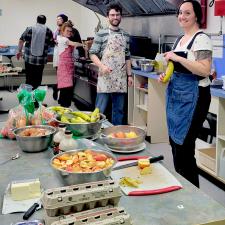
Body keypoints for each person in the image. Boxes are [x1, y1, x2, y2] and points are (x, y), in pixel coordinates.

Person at [158, 0, 212, 187]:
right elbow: (176, 67)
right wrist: (166, 75)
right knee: (175, 145)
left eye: (187, 13)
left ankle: (193, 198)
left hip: (195, 98)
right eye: (180, 13)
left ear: (196, 15)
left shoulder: (201, 38)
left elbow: (205, 70)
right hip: (176, 97)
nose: (182, 16)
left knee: (185, 149)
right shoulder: (179, 40)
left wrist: (175, 56)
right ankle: (182, 190)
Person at [89, 3, 133, 125]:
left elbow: (127, 56)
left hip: (120, 77)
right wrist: (102, 66)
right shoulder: (101, 33)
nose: (115, 17)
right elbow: (92, 53)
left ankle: (115, 135)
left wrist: (129, 75)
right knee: (99, 110)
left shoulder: (126, 35)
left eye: (117, 15)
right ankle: (95, 132)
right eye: (112, 15)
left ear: (121, 16)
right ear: (108, 16)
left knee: (119, 110)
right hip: (105, 75)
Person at [16, 15, 54, 90]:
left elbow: (21, 40)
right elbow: (51, 44)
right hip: (41, 60)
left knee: (29, 78)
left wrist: (19, 51)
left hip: (29, 59)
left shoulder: (30, 29)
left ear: (36, 20)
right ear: (45, 21)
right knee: (38, 79)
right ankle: (36, 100)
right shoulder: (49, 31)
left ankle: (28, 99)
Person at [52, 14, 85, 100]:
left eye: (70, 31)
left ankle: (64, 105)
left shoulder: (63, 38)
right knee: (65, 87)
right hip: (64, 67)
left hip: (68, 66)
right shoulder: (63, 39)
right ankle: (64, 106)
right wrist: (84, 45)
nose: (69, 33)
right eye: (67, 31)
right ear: (62, 31)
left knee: (66, 87)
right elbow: (74, 43)